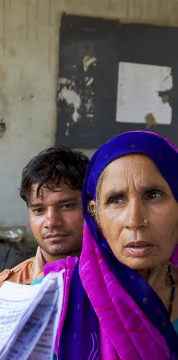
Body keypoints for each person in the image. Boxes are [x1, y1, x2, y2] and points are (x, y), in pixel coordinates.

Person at [45, 131, 178, 359]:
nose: (134, 221)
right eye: (116, 200)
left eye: (153, 195)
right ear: (95, 215)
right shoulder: (53, 295)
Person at [0, 146, 88, 313]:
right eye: (39, 210)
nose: (51, 222)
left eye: (66, 206)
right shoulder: (2, 294)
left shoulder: (122, 280)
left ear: (92, 207)